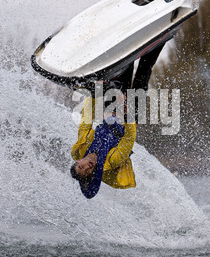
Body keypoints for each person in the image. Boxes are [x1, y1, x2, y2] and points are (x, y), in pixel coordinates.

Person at [70, 43, 165, 198]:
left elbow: (86, 119)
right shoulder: (110, 162)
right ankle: (161, 39)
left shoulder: (82, 146)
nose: (88, 167)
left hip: (110, 112)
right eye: (88, 171)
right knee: (143, 71)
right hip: (131, 119)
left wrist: (94, 93)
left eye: (82, 166)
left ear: (79, 160)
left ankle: (131, 41)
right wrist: (128, 116)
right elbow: (129, 139)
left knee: (125, 69)